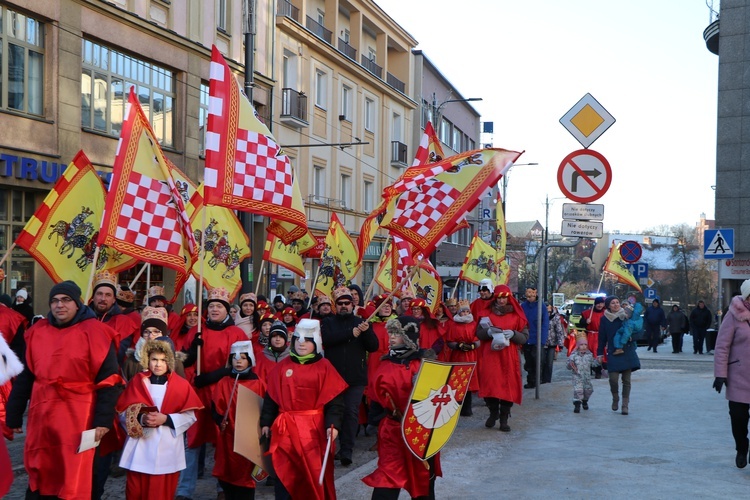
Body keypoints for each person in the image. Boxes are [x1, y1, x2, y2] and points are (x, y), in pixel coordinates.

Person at [5, 280, 124, 499]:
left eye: (66, 300)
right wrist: (13, 414)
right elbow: (26, 376)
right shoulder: (37, 331)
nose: (60, 305)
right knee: (42, 467)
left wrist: (102, 421)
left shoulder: (97, 332)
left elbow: (110, 381)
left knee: (75, 470)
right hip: (43, 414)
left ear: (77, 303)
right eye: (55, 301)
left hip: (80, 416)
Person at [259, 318, 347, 499]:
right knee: (285, 472)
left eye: (307, 340)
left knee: (312, 475)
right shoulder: (282, 367)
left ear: (315, 342)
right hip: (285, 432)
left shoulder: (325, 367)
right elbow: (271, 398)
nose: (301, 343)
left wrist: (334, 426)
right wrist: (266, 422)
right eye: (298, 339)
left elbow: (335, 402)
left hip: (313, 433)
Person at [177, 287, 247, 500]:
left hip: (223, 392)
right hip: (197, 392)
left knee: (222, 441)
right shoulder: (197, 330)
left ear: (227, 310)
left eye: (219, 306)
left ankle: (222, 488)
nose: (215, 310)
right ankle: (184, 491)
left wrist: (213, 376)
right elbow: (181, 361)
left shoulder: (237, 333)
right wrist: (190, 352)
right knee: (192, 440)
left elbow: (241, 365)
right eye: (212, 306)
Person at [362, 317, 442, 499]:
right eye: (391, 332)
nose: (390, 337)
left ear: (408, 337)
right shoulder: (385, 363)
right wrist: (375, 421)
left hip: (421, 431)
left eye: (397, 334)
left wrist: (424, 385)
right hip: (393, 431)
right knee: (387, 478)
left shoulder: (425, 364)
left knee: (422, 480)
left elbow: (439, 400)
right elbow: (376, 397)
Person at [116, 337, 201, 499]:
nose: (158, 364)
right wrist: (140, 419)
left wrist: (166, 419)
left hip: (166, 448)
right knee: (135, 492)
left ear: (170, 360)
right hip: (139, 448)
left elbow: (190, 417)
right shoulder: (138, 382)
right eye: (154, 359)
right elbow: (122, 412)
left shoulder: (181, 385)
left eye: (163, 360)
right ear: (148, 359)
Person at [321, 286, 378, 467]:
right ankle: (330, 448)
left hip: (355, 378)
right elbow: (326, 340)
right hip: (333, 377)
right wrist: (349, 334)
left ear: (352, 305)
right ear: (335, 305)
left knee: (351, 412)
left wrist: (367, 330)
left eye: (347, 303)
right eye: (340, 303)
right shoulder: (328, 322)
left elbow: (373, 346)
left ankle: (347, 450)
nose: (344, 306)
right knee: (333, 412)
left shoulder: (361, 322)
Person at [211, 340, 266, 499]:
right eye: (235, 358)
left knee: (246, 480)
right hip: (227, 437)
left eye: (242, 357)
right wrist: (219, 419)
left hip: (249, 440)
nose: (238, 361)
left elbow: (265, 410)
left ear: (249, 360)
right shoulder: (223, 382)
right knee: (227, 478)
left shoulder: (258, 384)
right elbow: (215, 407)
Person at [475, 285, 529, 432]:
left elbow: (524, 337)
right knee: (490, 385)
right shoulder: (486, 313)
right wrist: (488, 331)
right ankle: (493, 413)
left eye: (504, 297)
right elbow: (479, 334)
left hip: (509, 356)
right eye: (499, 297)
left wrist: (513, 334)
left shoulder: (517, 315)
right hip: (491, 355)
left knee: (508, 386)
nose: (502, 300)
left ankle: (504, 418)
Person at [714, 279, 750, 468]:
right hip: (739, 376)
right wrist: (720, 373)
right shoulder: (734, 314)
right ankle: (742, 448)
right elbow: (722, 346)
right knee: (738, 419)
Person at [597, 296, 640, 415]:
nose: (616, 305)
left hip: (627, 350)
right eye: (613, 303)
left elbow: (638, 331)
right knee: (613, 379)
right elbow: (601, 338)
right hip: (613, 351)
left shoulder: (626, 316)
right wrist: (599, 353)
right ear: (608, 306)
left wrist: (631, 337)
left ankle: (625, 405)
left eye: (617, 302)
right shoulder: (604, 319)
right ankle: (615, 398)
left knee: (626, 380)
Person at [444, 299, 479, 416]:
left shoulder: (474, 324)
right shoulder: (453, 325)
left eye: (466, 312)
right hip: (458, 356)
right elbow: (449, 340)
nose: (464, 314)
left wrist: (473, 345)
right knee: (457, 381)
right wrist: (458, 345)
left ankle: (467, 407)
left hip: (471, 355)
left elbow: (478, 338)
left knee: (469, 381)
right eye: (462, 312)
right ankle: (456, 406)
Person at [520, 287, 549, 389]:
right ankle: (531, 380)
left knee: (537, 360)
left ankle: (537, 380)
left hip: (537, 338)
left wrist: (542, 339)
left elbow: (545, 323)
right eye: (528, 295)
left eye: (531, 295)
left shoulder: (541, 307)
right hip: (527, 337)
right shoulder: (523, 306)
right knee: (528, 362)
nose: (530, 298)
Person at [566, 335, 600, 413]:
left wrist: (598, 362)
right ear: (578, 346)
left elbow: (593, 364)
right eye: (581, 345)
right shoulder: (573, 355)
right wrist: (570, 364)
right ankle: (577, 405)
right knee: (578, 391)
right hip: (577, 377)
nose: (584, 346)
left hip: (587, 377)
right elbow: (568, 365)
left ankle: (585, 401)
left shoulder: (589, 355)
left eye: (585, 344)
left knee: (588, 390)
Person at [576, 296, 606, 378]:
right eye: (598, 303)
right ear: (595, 304)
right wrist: (585, 321)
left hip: (601, 336)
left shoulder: (606, 313)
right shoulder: (588, 313)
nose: (600, 305)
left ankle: (598, 371)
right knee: (588, 353)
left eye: (601, 303)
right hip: (590, 336)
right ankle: (588, 369)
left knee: (599, 353)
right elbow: (580, 323)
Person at [543, 303, 566, 383]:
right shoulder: (540, 316)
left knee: (549, 363)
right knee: (541, 361)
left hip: (552, 343)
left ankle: (547, 380)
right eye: (546, 308)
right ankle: (540, 378)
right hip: (541, 343)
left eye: (549, 307)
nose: (547, 309)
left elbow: (559, 331)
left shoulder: (556, 318)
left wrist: (560, 344)